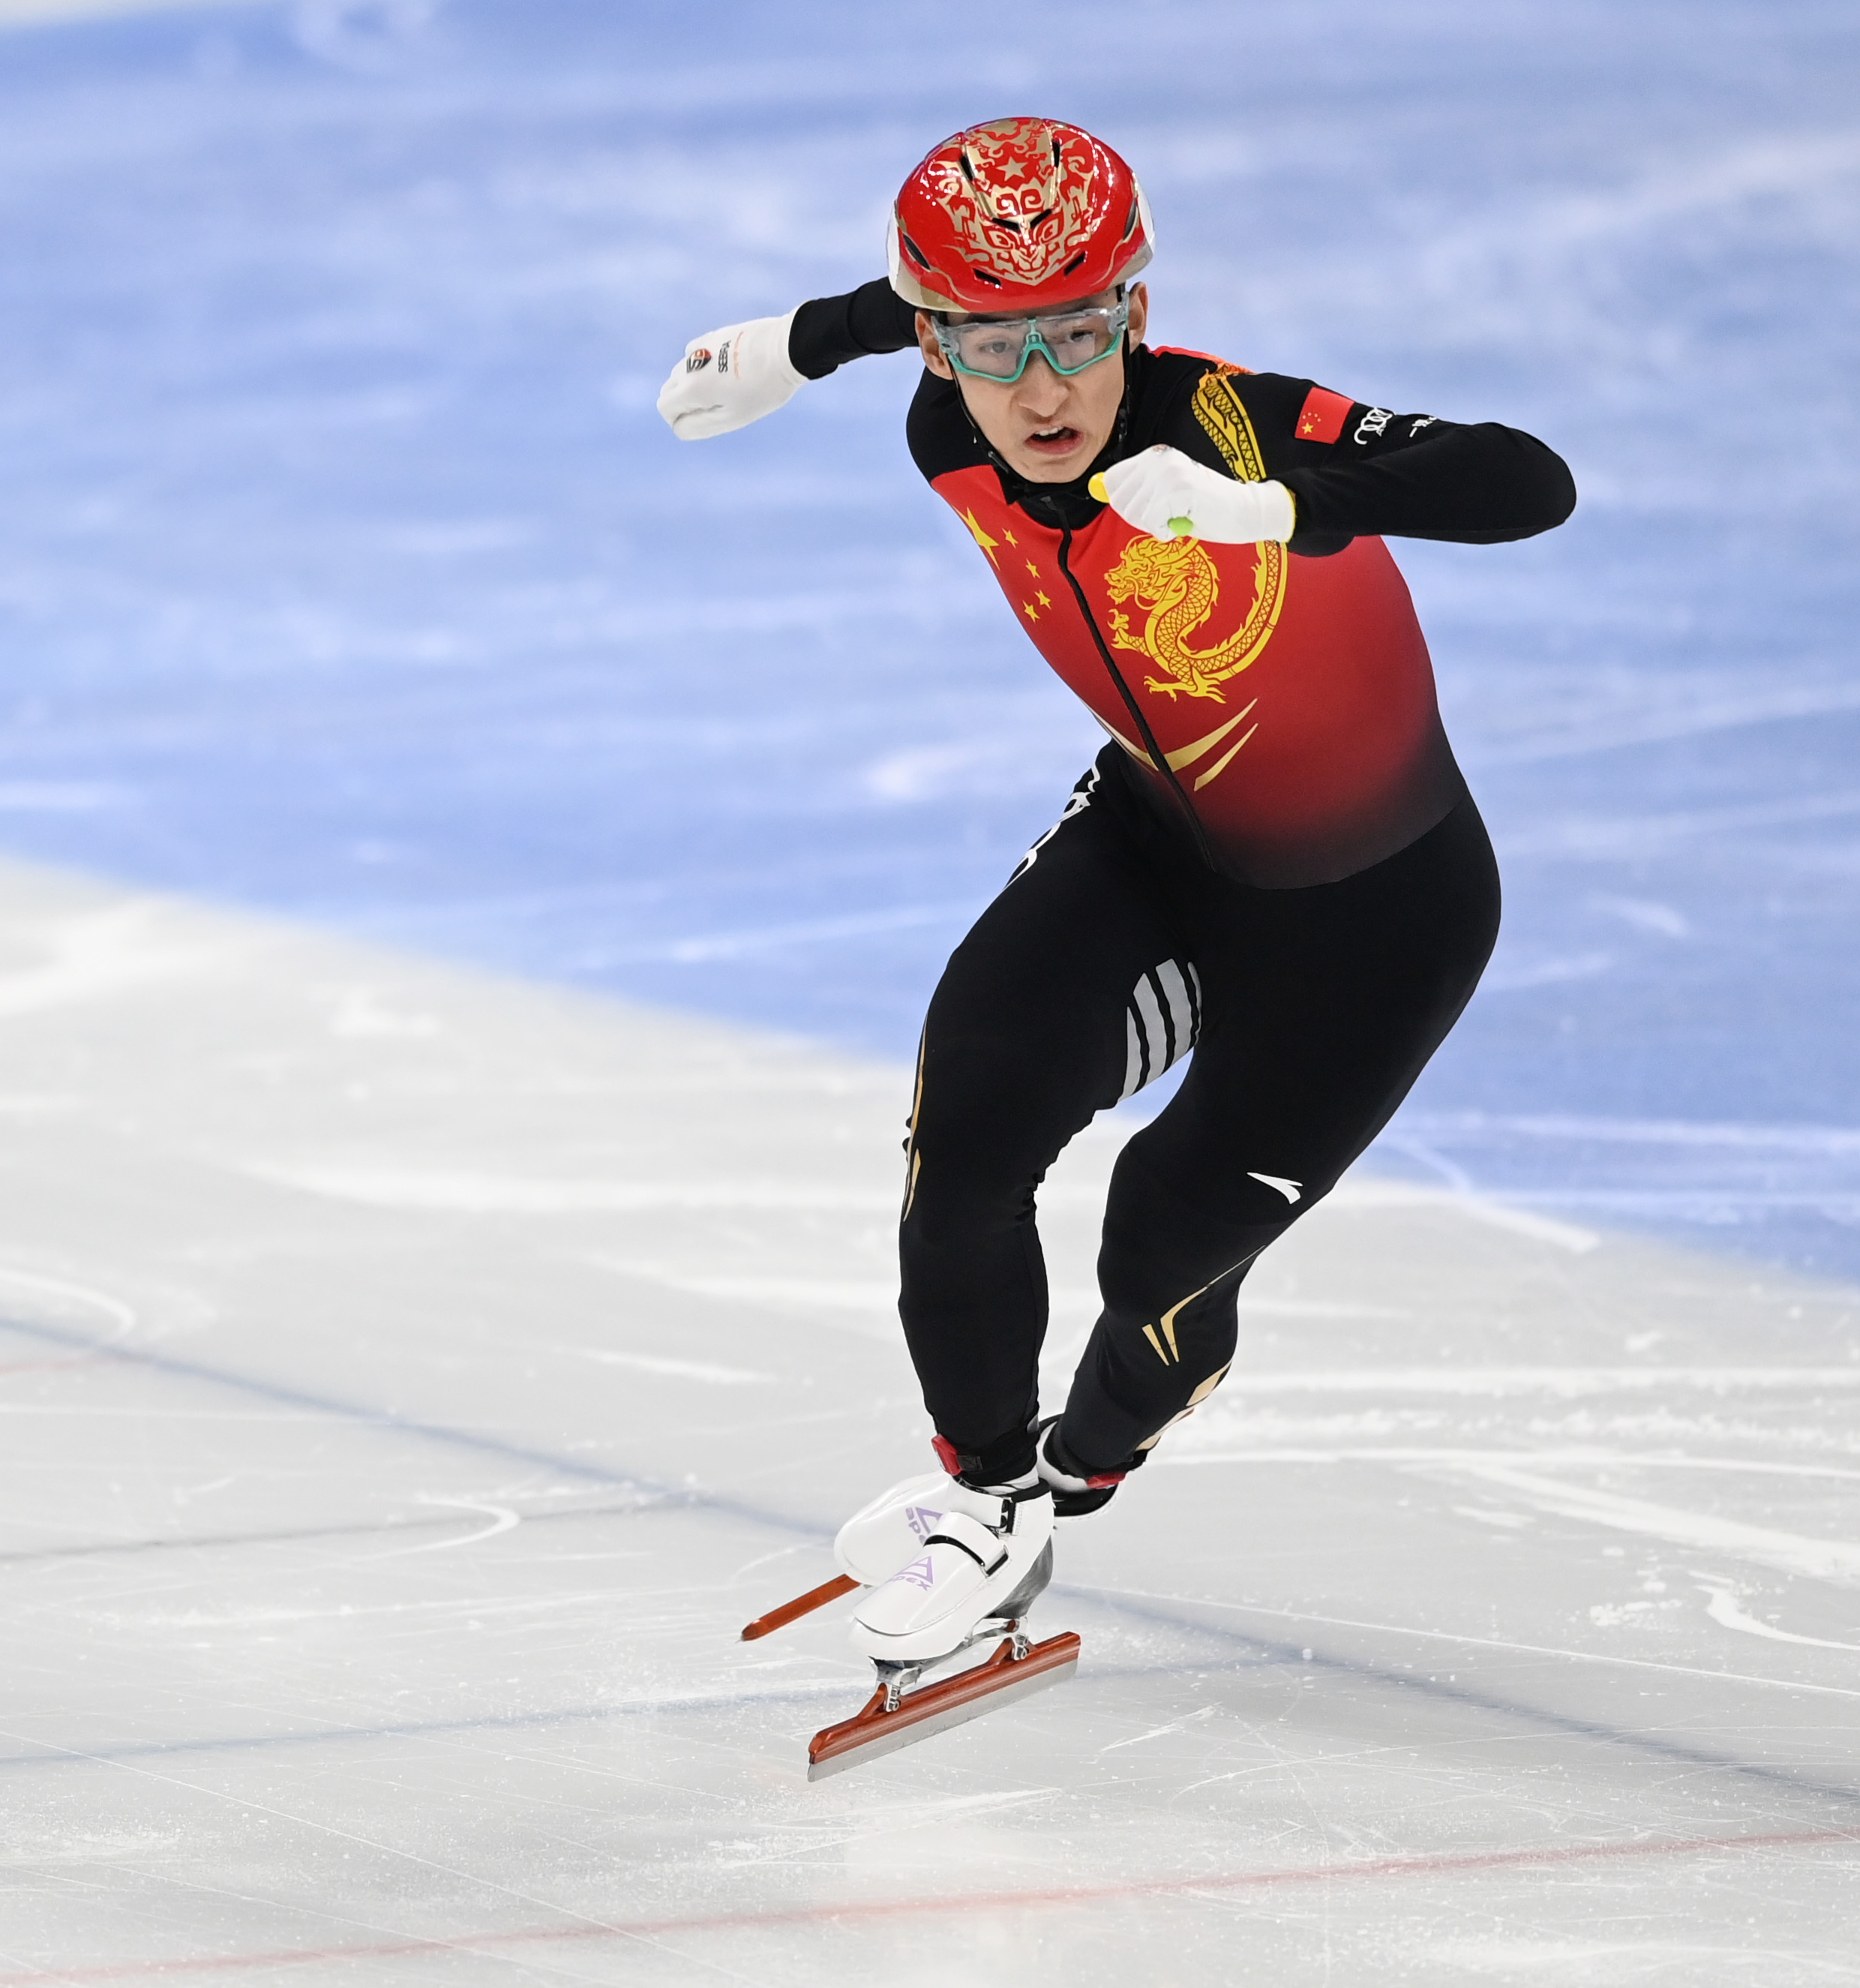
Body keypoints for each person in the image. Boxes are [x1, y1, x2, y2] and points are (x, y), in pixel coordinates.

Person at [658, 119, 1572, 1674]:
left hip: (1374, 915)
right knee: (968, 1120)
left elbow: (1523, 483)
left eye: (1081, 333)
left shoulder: (1237, 428)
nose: (1043, 389)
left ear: (1135, 314)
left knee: (1160, 1244)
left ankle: (1083, 1462)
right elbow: (923, 313)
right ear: (936, 344)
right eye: (994, 345)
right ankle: (991, 1507)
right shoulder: (944, 423)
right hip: (1155, 841)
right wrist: (798, 346)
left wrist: (1282, 502)